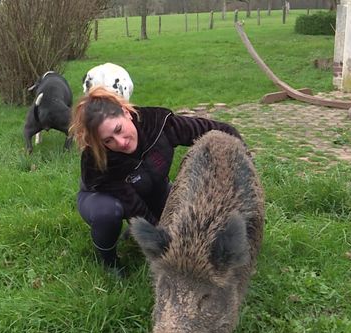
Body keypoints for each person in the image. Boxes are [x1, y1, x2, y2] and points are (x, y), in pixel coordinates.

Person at [69, 86, 246, 277]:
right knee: (109, 212)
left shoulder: (159, 125)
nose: (120, 142)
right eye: (108, 141)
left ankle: (135, 231)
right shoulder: (99, 162)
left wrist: (243, 157)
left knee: (186, 213)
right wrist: (165, 244)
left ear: (127, 113)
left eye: (118, 130)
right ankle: (108, 259)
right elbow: (133, 205)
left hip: (153, 188)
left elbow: (218, 131)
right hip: (102, 197)